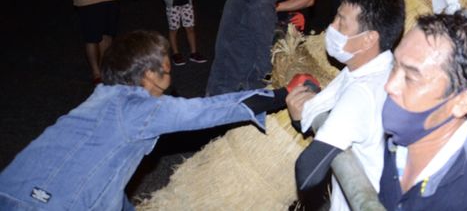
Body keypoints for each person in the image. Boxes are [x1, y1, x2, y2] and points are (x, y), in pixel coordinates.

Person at [0, 30, 286, 211]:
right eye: (166, 69)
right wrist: (279, 96)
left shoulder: (102, 101)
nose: (170, 76)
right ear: (149, 75)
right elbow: (206, 111)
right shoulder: (136, 108)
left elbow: (103, 177)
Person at [378, 13, 467, 210]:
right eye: (394, 67)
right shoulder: (395, 142)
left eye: (410, 77)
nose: (389, 85)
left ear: (463, 100)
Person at [286, 0, 405, 211]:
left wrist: (297, 116)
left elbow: (309, 171)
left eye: (342, 22)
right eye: (335, 17)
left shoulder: (363, 91)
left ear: (370, 38)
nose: (332, 27)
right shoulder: (384, 69)